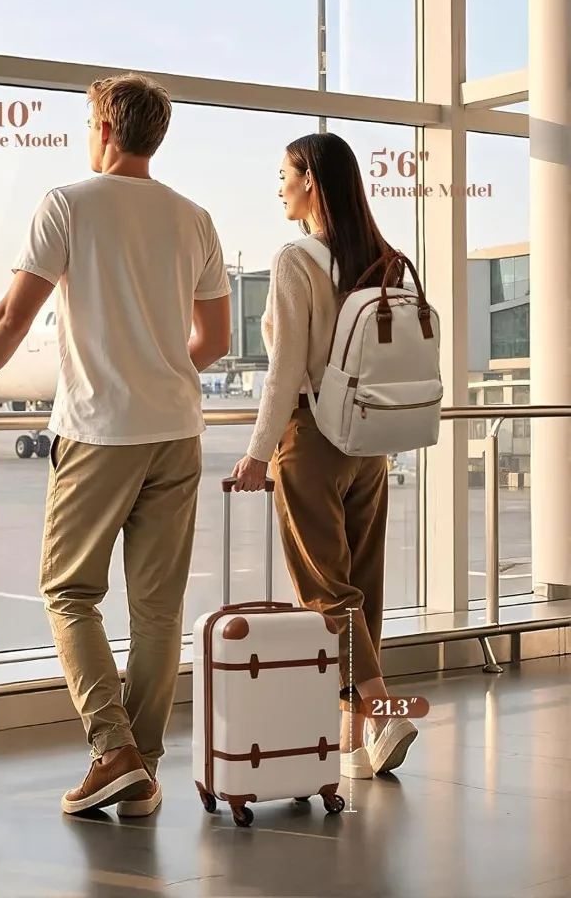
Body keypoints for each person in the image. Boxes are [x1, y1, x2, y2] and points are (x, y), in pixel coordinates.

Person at [0, 72, 232, 816]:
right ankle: (141, 773)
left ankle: (112, 748)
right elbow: (211, 339)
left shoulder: (68, 205)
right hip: (178, 430)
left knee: (67, 589)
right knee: (158, 611)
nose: (89, 135)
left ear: (107, 131)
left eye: (90, 123)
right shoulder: (196, 218)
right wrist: (160, 370)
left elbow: (11, 319)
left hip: (99, 429)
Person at [229, 131, 418, 780]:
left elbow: (284, 370)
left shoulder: (295, 260)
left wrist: (258, 453)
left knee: (325, 590)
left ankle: (383, 708)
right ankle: (358, 737)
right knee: (363, 585)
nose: (278, 185)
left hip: (311, 438)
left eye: (284, 173)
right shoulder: (386, 258)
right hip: (371, 440)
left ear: (310, 180)